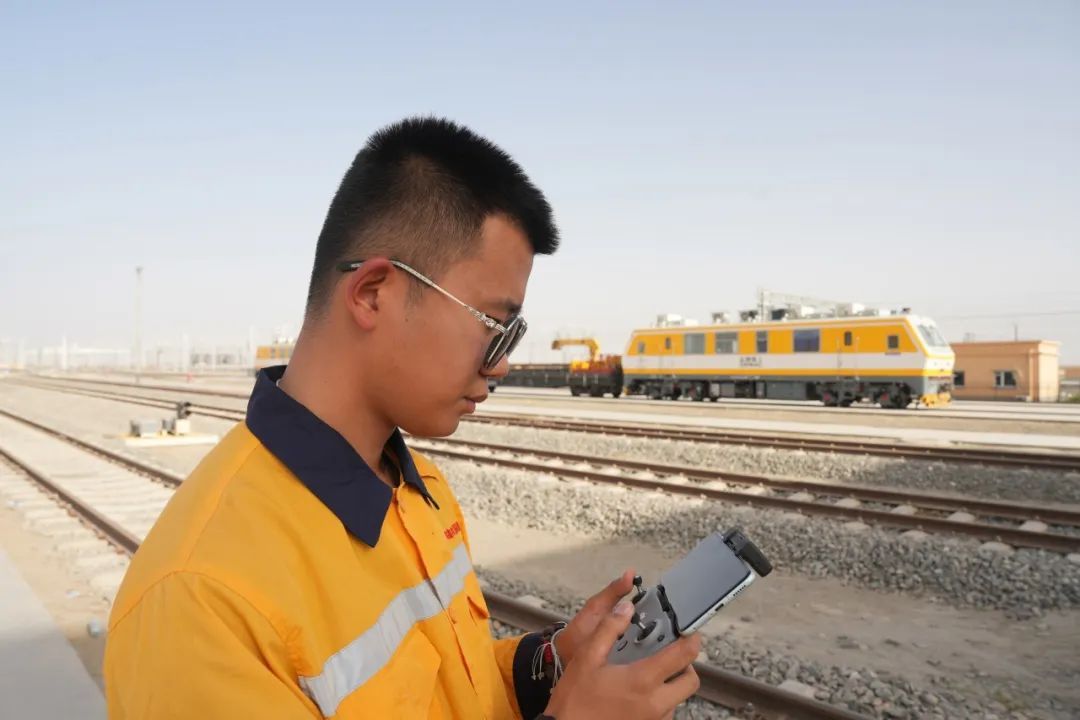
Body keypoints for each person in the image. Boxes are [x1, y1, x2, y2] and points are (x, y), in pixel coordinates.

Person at [103, 117, 701, 719]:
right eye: (496, 327)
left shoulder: (423, 495)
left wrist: (548, 666)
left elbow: (447, 696)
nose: (502, 366)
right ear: (373, 294)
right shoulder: (201, 600)